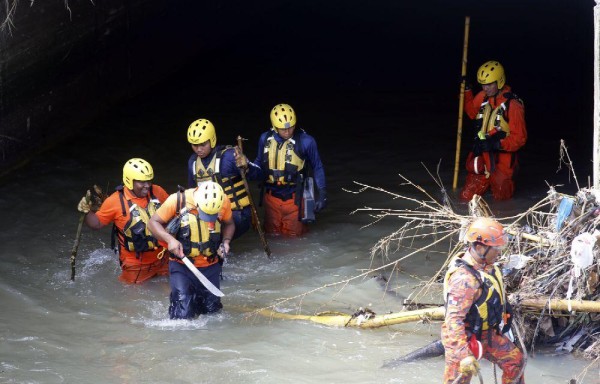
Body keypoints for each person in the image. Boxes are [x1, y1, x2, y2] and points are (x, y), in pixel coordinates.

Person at [442, 217, 525, 384]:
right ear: (480, 247)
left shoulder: (488, 268)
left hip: (487, 334)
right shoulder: (464, 280)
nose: (500, 252)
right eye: (496, 248)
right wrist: (463, 355)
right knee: (459, 379)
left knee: (515, 361)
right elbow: (453, 321)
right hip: (463, 338)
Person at [148, 181, 235, 319]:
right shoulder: (177, 200)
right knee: (182, 315)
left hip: (211, 266)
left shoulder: (224, 201)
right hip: (182, 265)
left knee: (212, 314)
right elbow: (152, 223)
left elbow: (229, 223)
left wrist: (226, 242)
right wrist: (170, 239)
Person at [76, 158, 170, 284]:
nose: (147, 185)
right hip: (135, 265)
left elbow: (174, 211)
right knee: (132, 300)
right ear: (129, 181)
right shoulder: (114, 201)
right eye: (142, 182)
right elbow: (97, 223)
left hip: (164, 257)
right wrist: (86, 212)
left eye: (149, 180)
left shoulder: (158, 191)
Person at [253, 103, 327, 237]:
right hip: (271, 198)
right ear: (275, 127)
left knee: (294, 239)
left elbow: (317, 166)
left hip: (295, 199)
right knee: (271, 235)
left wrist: (322, 193)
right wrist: (247, 168)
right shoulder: (264, 139)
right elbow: (258, 164)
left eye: (291, 127)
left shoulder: (306, 141)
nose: (287, 132)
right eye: (283, 129)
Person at [460, 61, 527, 201]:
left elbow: (520, 138)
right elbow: (472, 112)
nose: (485, 88)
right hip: (483, 154)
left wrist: (496, 144)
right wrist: (467, 91)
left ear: (500, 81)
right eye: (483, 84)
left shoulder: (513, 106)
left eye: (489, 84)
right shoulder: (482, 97)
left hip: (503, 161)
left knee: (501, 201)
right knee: (466, 197)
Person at [186, 118, 262, 240]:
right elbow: (190, 193)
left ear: (212, 140)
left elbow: (259, 175)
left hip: (237, 212)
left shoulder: (230, 156)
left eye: (203, 144)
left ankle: (219, 248)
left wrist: (247, 166)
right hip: (211, 213)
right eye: (194, 145)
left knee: (212, 239)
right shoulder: (193, 162)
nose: (198, 149)